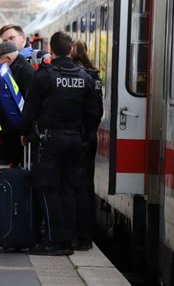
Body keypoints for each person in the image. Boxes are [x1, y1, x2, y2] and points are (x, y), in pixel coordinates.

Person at [21, 31, 98, 256]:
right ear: (71, 49)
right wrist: (84, 138)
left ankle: (54, 241)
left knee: (48, 188)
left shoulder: (44, 76)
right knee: (70, 189)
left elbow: (30, 110)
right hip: (75, 140)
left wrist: (25, 133)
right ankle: (70, 238)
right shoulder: (85, 78)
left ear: (52, 50)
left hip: (51, 139)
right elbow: (92, 114)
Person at [71, 40, 104, 251]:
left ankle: (77, 234)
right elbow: (97, 111)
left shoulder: (77, 75)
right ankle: (86, 235)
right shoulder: (94, 76)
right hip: (90, 137)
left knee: (74, 186)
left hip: (77, 136)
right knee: (87, 187)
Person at [0, 41, 34, 166]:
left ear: (8, 59)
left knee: (20, 164)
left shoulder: (24, 70)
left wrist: (25, 132)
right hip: (17, 129)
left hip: (21, 131)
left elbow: (29, 102)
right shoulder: (15, 67)